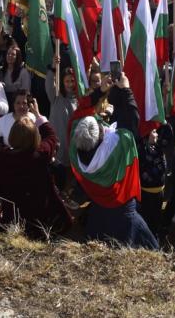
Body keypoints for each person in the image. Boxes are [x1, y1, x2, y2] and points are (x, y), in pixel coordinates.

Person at [69, 74, 158, 250]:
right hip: (125, 215)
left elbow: (79, 112)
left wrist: (100, 91)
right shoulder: (118, 146)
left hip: (98, 213)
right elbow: (132, 124)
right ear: (101, 136)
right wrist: (126, 90)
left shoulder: (75, 147)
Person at [0, 115, 72, 238]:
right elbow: (51, 137)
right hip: (36, 217)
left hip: (11, 216)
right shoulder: (39, 156)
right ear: (34, 138)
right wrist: (40, 118)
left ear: (12, 136)